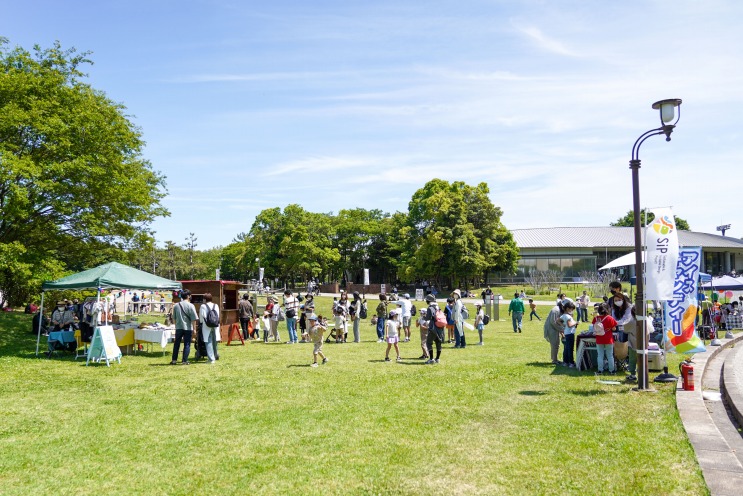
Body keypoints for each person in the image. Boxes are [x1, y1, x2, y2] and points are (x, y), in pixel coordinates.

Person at [611, 291, 637, 381]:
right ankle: (622, 362)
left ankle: (630, 368)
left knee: (630, 349)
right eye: (615, 300)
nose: (617, 301)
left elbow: (627, 319)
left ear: (623, 300)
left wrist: (616, 323)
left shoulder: (629, 307)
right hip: (620, 328)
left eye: (619, 299)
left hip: (628, 329)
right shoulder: (614, 309)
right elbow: (613, 318)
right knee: (619, 345)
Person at [170, 290, 199, 365]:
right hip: (188, 328)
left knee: (176, 343)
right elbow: (194, 319)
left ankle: (174, 360)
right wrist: (195, 329)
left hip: (179, 327)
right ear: (188, 296)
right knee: (187, 344)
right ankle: (184, 360)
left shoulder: (176, 305)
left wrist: (176, 326)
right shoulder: (191, 305)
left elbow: (174, 318)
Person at [544, 300, 573, 366]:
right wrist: (562, 329)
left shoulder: (559, 310)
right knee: (555, 344)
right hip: (551, 329)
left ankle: (555, 359)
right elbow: (553, 322)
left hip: (555, 328)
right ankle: (554, 360)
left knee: (557, 344)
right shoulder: (556, 310)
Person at [593, 303, 618, 374]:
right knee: (610, 355)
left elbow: (594, 327)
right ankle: (612, 370)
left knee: (600, 355)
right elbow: (614, 329)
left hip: (599, 338)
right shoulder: (610, 318)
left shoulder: (596, 318)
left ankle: (600, 370)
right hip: (608, 338)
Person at [199, 293, 220, 363]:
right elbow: (218, 316)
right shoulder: (216, 305)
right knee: (215, 341)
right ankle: (215, 355)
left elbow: (201, 318)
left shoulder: (203, 306)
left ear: (205, 299)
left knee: (208, 342)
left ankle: (211, 359)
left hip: (206, 326)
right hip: (215, 325)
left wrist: (201, 323)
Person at [425, 294, 444, 364]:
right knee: (438, 343)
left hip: (433, 327)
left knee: (429, 343)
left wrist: (423, 317)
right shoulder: (438, 307)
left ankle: (431, 359)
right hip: (440, 327)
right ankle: (437, 359)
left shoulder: (430, 308)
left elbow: (427, 318)